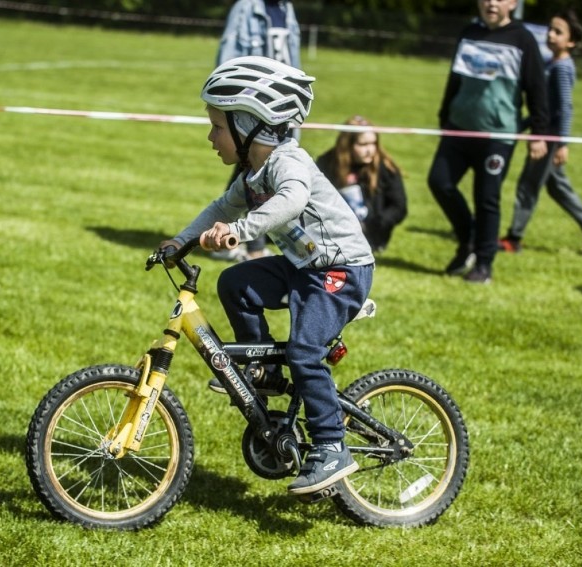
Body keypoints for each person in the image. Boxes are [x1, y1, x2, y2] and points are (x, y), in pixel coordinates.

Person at [159, 56, 375, 495]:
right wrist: (180, 241)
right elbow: (220, 208)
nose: (211, 136)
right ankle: (260, 372)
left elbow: (292, 200)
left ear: (248, 125)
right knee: (234, 284)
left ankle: (333, 447)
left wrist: (239, 233)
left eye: (218, 127)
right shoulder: (252, 174)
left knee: (304, 350)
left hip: (341, 270)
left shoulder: (286, 162)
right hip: (304, 268)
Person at [427, 0, 550, 284]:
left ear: (512, 4)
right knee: (439, 182)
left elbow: (537, 88)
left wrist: (539, 133)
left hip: (498, 136)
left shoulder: (523, 39)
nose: (491, 3)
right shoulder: (469, 32)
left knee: (486, 199)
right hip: (459, 128)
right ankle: (467, 239)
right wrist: (445, 115)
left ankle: (484, 264)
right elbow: (454, 79)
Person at [498, 9, 582, 255]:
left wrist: (561, 143)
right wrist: (523, 124)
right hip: (545, 132)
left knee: (527, 186)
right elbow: (544, 106)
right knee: (557, 187)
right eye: (550, 29)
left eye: (558, 32)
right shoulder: (552, 63)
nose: (550, 34)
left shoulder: (562, 68)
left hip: (548, 138)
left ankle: (513, 239)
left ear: (571, 42)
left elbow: (565, 108)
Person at [211, 0, 301, 263]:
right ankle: (253, 246)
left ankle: (233, 239)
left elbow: (292, 58)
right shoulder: (247, 7)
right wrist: (230, 101)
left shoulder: (287, 9)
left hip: (280, 103)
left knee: (256, 171)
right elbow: (229, 57)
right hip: (255, 102)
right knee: (253, 170)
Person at [316, 116, 408, 254]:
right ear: (347, 145)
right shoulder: (327, 163)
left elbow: (399, 207)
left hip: (372, 234)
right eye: (363, 145)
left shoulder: (386, 168)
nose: (370, 150)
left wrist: (376, 224)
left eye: (373, 143)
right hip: (334, 231)